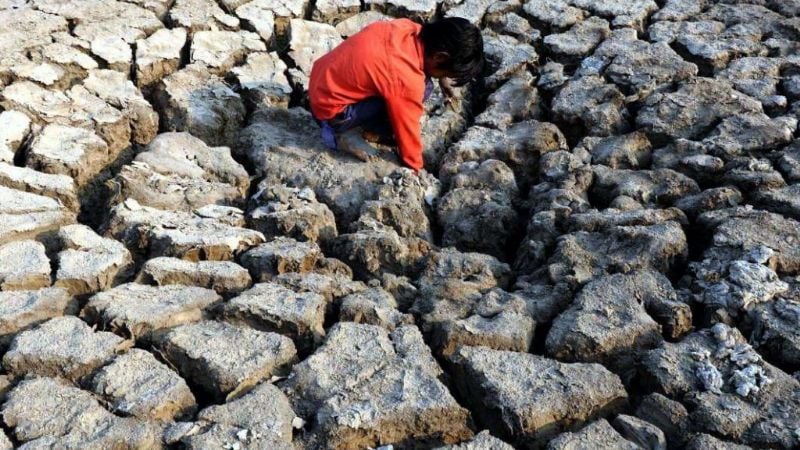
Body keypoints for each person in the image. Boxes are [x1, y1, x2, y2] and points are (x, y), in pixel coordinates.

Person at [308, 17, 484, 173]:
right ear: (439, 57)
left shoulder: (407, 27)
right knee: (420, 92)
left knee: (423, 85)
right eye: (448, 72)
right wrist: (415, 168)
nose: (445, 77)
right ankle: (346, 132)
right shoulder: (406, 78)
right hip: (333, 111)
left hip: (319, 83)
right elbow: (407, 126)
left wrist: (442, 77)